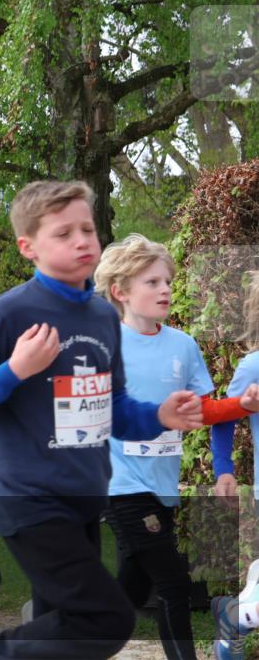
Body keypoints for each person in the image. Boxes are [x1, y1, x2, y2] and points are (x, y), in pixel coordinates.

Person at [0, 180, 204, 659]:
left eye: (87, 229)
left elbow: (114, 408)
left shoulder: (102, 317)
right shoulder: (11, 312)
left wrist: (160, 415)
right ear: (29, 247)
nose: (82, 241)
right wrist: (15, 369)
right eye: (63, 234)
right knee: (107, 618)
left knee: (64, 634)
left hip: (84, 498)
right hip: (30, 498)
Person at [93, 234, 259, 660]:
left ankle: (68, 631)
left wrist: (240, 405)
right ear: (120, 291)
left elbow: (204, 410)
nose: (165, 289)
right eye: (151, 282)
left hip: (162, 486)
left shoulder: (182, 346)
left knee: (133, 586)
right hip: (120, 484)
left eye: (167, 281)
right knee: (173, 583)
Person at [211, 270, 259, 660]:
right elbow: (224, 417)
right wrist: (223, 468)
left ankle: (242, 608)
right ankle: (237, 615)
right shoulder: (254, 366)